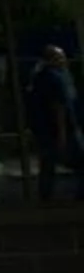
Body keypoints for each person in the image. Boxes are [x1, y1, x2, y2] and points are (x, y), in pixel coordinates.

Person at [26, 43, 82, 203]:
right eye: (61, 57)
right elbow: (59, 107)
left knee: (48, 164)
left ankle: (45, 196)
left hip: (45, 130)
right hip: (64, 129)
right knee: (78, 160)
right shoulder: (56, 78)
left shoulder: (41, 76)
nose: (65, 60)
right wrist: (62, 133)